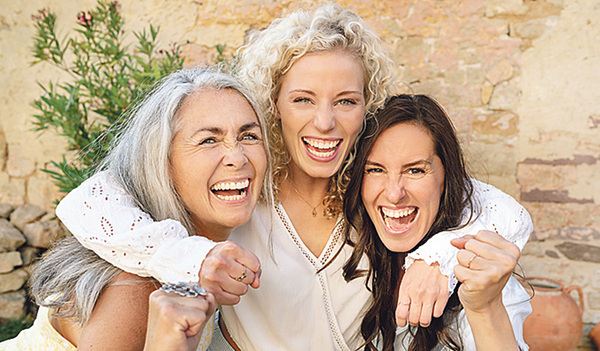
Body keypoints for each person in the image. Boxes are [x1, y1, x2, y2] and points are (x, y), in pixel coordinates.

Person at [54, 5, 532, 350]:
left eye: (345, 101)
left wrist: (437, 256)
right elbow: (88, 201)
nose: (325, 122)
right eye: (303, 99)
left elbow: (503, 213)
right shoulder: (236, 196)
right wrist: (189, 257)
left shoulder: (378, 200)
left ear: (367, 108)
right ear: (273, 105)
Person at [0, 67, 268, 350]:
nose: (237, 158)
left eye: (249, 136)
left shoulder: (210, 253)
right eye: (208, 140)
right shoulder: (135, 291)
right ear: (162, 164)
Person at [343, 94, 531, 350]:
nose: (394, 194)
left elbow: (513, 214)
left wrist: (483, 306)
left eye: (415, 170)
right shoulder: (349, 246)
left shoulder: (477, 273)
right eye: (375, 169)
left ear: (446, 177)